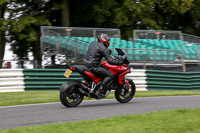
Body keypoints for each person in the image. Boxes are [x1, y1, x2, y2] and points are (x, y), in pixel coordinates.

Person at [83, 33, 124, 97]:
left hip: (85, 64)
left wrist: (108, 52)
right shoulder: (104, 49)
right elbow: (110, 60)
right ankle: (100, 90)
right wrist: (119, 62)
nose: (108, 41)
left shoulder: (93, 43)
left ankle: (94, 86)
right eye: (108, 40)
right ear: (105, 39)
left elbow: (95, 53)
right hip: (94, 67)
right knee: (110, 74)